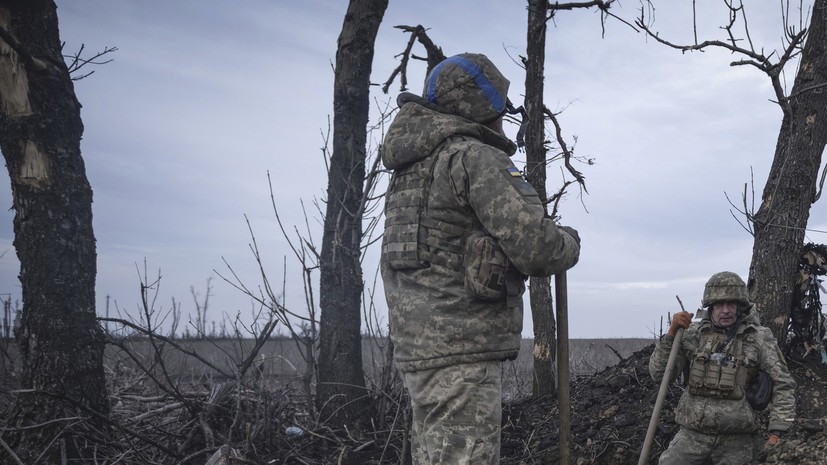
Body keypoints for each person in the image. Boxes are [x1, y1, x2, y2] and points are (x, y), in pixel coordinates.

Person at [379, 53, 581, 465]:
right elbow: (538, 248)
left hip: (419, 352)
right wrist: (568, 241)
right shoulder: (473, 158)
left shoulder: (410, 168)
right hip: (464, 353)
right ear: (482, 104)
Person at [649, 271, 796, 465]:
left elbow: (783, 383)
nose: (725, 310)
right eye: (719, 304)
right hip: (692, 436)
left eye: (731, 304)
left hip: (737, 440)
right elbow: (659, 374)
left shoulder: (759, 338)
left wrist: (777, 431)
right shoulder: (693, 335)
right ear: (710, 307)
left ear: (740, 306)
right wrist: (671, 335)